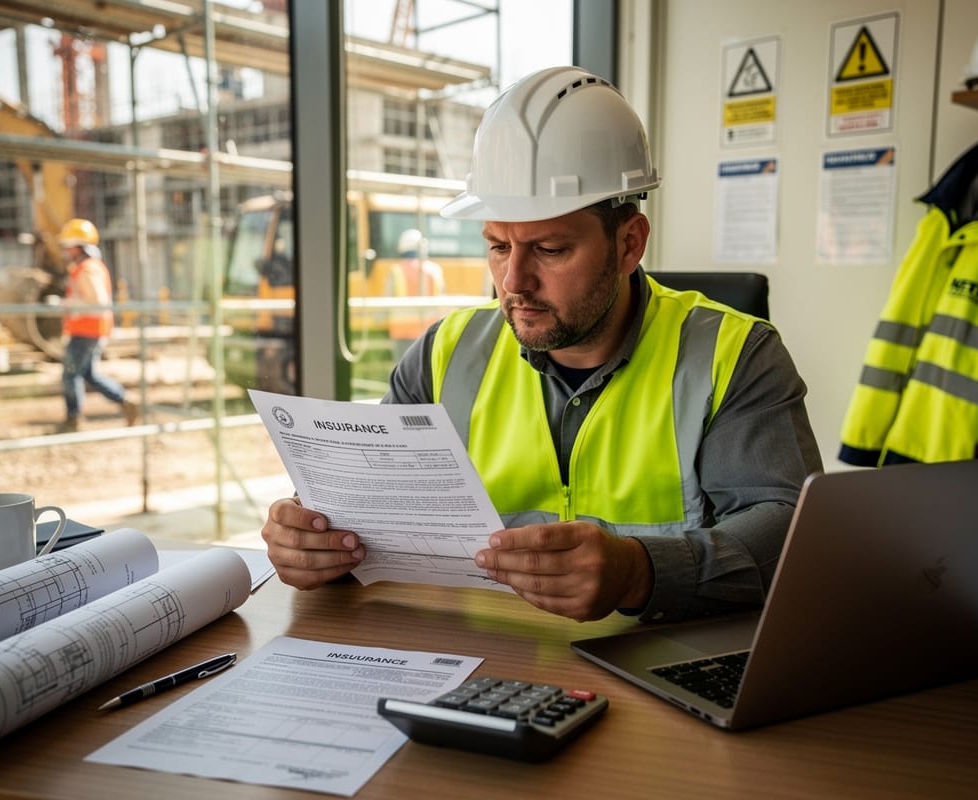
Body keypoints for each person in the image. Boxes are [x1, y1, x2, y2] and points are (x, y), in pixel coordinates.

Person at [261, 66, 822, 623]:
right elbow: (374, 517)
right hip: (480, 660)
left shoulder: (734, 354)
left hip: (651, 667)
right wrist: (316, 544)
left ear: (629, 244)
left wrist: (640, 571)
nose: (514, 282)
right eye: (498, 246)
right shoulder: (443, 354)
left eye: (550, 249)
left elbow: (788, 528)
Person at [56, 218, 138, 432]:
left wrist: (65, 303)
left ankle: (73, 419)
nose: (66, 250)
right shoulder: (89, 267)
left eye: (68, 245)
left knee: (70, 374)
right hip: (91, 329)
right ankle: (124, 400)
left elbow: (98, 301)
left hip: (86, 330)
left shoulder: (88, 269)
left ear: (78, 246)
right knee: (89, 374)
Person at [384, 228, 446, 361]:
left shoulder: (395, 271)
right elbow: (442, 302)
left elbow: (385, 302)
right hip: (429, 332)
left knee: (402, 374)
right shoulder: (434, 270)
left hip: (402, 333)